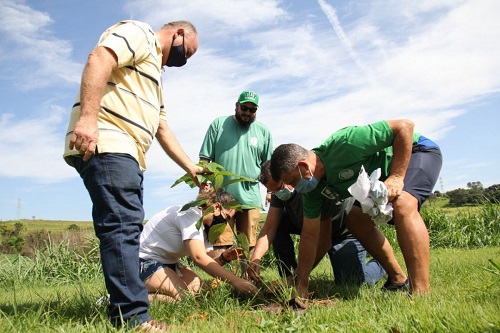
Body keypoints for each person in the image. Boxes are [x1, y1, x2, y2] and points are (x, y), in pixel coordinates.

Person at [63, 19, 202, 331]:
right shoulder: (140, 33)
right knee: (122, 229)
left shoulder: (155, 74)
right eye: (187, 52)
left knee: (125, 228)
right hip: (109, 141)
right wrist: (87, 118)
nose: (185, 60)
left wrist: (190, 167)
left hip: (129, 153)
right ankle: (133, 318)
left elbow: (161, 127)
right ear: (178, 33)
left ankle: (126, 307)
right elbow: (100, 57)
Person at [270, 119, 442, 297]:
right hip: (380, 178)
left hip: (415, 151)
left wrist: (397, 176)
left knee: (403, 204)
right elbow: (309, 236)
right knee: (354, 219)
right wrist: (302, 282)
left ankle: (420, 291)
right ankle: (397, 279)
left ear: (304, 166)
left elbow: (404, 127)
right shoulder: (313, 192)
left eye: (292, 181)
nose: (294, 188)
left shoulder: (345, 143)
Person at [248, 161, 385, 287]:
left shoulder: (313, 186)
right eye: (273, 191)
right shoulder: (279, 192)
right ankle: (288, 275)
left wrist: (300, 275)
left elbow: (323, 242)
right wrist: (256, 257)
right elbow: (270, 227)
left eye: (280, 187)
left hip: (342, 233)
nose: (278, 193)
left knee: (353, 283)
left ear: (288, 176)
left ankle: (380, 264)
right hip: (308, 226)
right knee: (280, 222)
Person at [139, 188, 258, 302]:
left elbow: (209, 262)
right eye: (226, 216)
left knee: (204, 294)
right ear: (216, 206)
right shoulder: (191, 214)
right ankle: (135, 298)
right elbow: (199, 258)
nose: (225, 222)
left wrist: (224, 258)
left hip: (171, 264)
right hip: (145, 262)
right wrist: (235, 281)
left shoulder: (206, 228)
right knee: (185, 299)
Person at [199, 90, 273, 256]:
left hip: (250, 196)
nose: (247, 113)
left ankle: (248, 280)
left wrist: (270, 191)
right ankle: (221, 280)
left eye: (252, 110)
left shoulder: (263, 132)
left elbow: (268, 166)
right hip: (220, 196)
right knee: (220, 242)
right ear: (236, 106)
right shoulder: (218, 125)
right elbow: (204, 160)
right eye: (244, 108)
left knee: (249, 243)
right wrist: (203, 186)